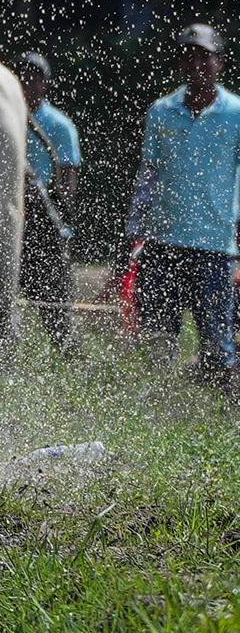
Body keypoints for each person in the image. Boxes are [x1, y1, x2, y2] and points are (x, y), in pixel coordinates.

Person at [126, 24, 240, 390]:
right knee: (156, 343)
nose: (197, 64)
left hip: (216, 248)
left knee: (218, 350)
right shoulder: (161, 112)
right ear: (179, 65)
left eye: (204, 56)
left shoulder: (236, 114)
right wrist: (132, 241)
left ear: (219, 62)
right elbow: (147, 179)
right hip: (163, 245)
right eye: (189, 56)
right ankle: (156, 416)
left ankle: (223, 426)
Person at [15, 52, 81, 353]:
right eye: (23, 74)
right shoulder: (5, 117)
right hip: (10, 217)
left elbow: (68, 176)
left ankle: (68, 355)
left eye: (35, 76)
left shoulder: (59, 125)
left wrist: (61, 221)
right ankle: (8, 355)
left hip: (45, 220)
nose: (28, 81)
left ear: (46, 83)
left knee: (54, 301)